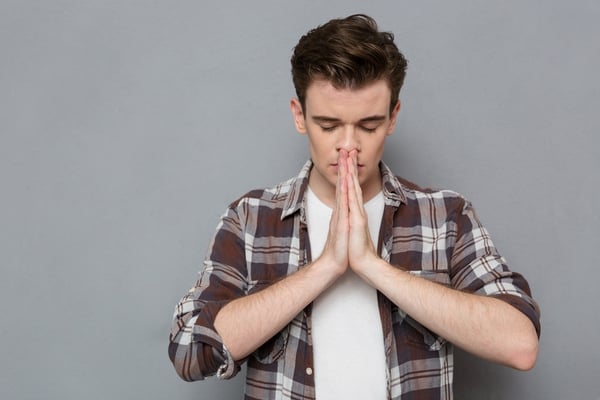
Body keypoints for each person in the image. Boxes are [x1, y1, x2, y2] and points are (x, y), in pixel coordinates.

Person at [168, 14, 541, 400]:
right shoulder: (251, 218)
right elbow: (189, 351)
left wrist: (372, 266)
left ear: (393, 117)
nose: (348, 145)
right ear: (300, 116)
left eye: (368, 125)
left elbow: (520, 343)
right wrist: (325, 266)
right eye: (329, 125)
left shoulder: (445, 216)